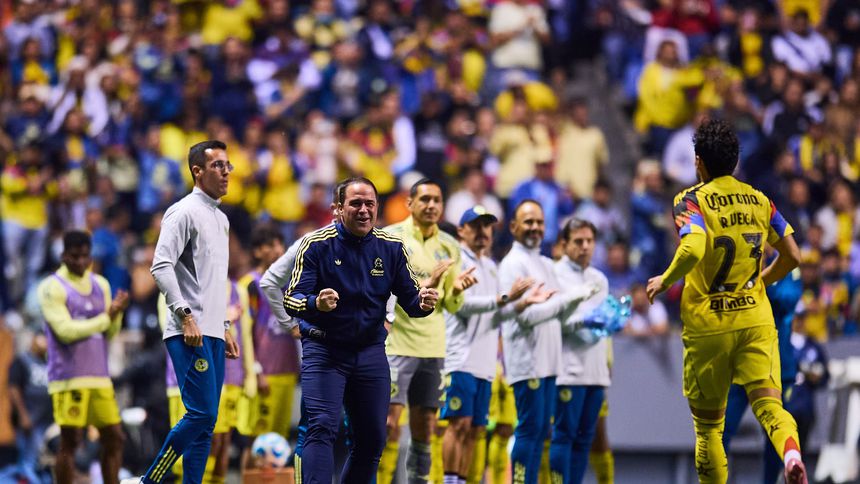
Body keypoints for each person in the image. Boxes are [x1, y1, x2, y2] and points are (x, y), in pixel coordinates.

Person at [646, 119, 807, 484]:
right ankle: (793, 453)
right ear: (735, 162)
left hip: (709, 327)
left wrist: (665, 279)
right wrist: (761, 282)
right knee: (770, 406)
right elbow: (794, 256)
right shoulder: (760, 200)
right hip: (754, 320)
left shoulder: (690, 200)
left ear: (698, 161)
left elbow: (694, 246)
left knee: (709, 431)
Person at [283, 176, 440, 483]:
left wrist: (424, 302)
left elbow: (411, 301)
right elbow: (292, 298)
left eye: (370, 204)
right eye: (355, 203)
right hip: (325, 351)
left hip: (369, 353)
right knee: (322, 426)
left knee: (373, 438)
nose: (364, 210)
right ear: (337, 208)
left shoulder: (392, 248)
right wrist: (316, 303)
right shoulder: (315, 245)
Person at [129, 140, 241, 484]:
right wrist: (185, 314)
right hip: (187, 330)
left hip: (212, 331)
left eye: (227, 166)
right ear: (197, 171)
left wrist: (224, 325)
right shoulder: (183, 211)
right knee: (200, 413)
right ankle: (150, 479)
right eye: (217, 166)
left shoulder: (220, 219)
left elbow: (213, 281)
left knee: (208, 422)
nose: (225, 173)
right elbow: (160, 266)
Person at [378, 178, 477, 484]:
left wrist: (456, 289)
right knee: (389, 424)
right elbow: (381, 288)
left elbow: (449, 303)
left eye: (437, 200)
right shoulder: (390, 238)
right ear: (410, 203)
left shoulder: (449, 246)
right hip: (395, 344)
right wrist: (427, 284)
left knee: (426, 425)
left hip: (432, 346)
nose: (432, 205)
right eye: (425, 199)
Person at [498, 200, 598, 484]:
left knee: (542, 431)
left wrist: (588, 312)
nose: (535, 228)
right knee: (530, 430)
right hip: (528, 361)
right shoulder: (512, 264)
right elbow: (525, 317)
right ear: (514, 226)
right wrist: (572, 296)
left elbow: (556, 311)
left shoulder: (543, 263)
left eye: (539, 222)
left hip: (549, 362)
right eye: (528, 222)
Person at [441, 206, 534, 484]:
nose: (482, 232)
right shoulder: (454, 261)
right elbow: (461, 307)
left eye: (487, 226)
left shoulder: (491, 267)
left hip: (484, 362)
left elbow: (496, 312)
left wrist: (521, 304)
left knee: (476, 429)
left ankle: (460, 480)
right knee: (459, 424)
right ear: (461, 231)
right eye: (475, 225)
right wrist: (506, 297)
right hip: (460, 358)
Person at [36, 230, 129, 484]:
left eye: (85, 257)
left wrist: (117, 314)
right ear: (63, 255)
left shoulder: (101, 284)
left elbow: (109, 332)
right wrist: (105, 318)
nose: (80, 262)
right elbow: (65, 331)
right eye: (74, 257)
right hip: (68, 378)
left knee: (115, 437)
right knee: (71, 440)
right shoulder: (51, 287)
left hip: (99, 376)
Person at [723, 265, 803, 484]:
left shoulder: (786, 266)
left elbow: (788, 299)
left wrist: (757, 284)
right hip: (740, 364)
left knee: (774, 435)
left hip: (775, 366)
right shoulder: (741, 260)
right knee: (721, 430)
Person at [550, 219, 611, 484]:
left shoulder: (600, 279)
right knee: (564, 435)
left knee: (586, 439)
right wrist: (586, 322)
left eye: (589, 241)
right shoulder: (553, 274)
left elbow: (603, 324)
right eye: (578, 241)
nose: (585, 247)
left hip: (596, 372)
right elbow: (554, 321)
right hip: (567, 371)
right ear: (564, 244)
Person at [236, 225, 299, 467]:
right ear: (257, 251)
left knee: (279, 441)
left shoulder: (288, 284)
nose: (278, 250)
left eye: (280, 244)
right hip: (263, 374)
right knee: (256, 440)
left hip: (287, 370)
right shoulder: (250, 285)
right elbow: (243, 331)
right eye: (271, 245)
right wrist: (256, 369)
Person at [8, 331, 52, 484]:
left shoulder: (48, 362)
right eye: (42, 338)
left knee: (41, 459)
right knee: (27, 460)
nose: (45, 342)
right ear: (33, 339)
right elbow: (13, 389)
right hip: (29, 418)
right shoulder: (22, 360)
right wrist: (23, 415)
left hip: (46, 419)